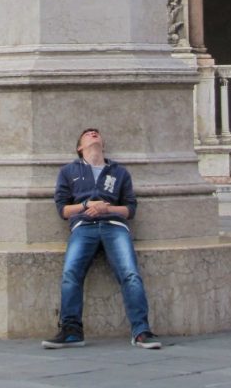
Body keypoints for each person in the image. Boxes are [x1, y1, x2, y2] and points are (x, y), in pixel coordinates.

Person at [42, 128, 161, 350]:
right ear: (80, 147)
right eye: (88, 134)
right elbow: (63, 209)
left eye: (96, 133)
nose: (93, 133)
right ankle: (71, 331)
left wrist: (107, 209)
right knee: (70, 274)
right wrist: (86, 205)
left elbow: (130, 209)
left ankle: (141, 331)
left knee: (130, 274)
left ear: (103, 145)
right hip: (83, 226)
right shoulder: (69, 171)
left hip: (114, 226)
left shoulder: (119, 172)